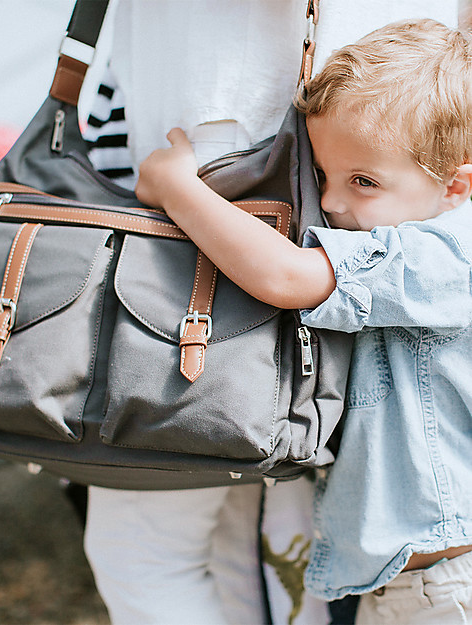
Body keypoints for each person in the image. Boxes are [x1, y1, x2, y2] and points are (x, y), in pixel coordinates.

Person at [135, 18, 472, 625]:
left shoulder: (444, 254)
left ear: (456, 185)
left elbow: (285, 277)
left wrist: (177, 187)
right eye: (321, 177)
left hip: (442, 583)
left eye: (363, 181)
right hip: (410, 577)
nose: (334, 202)